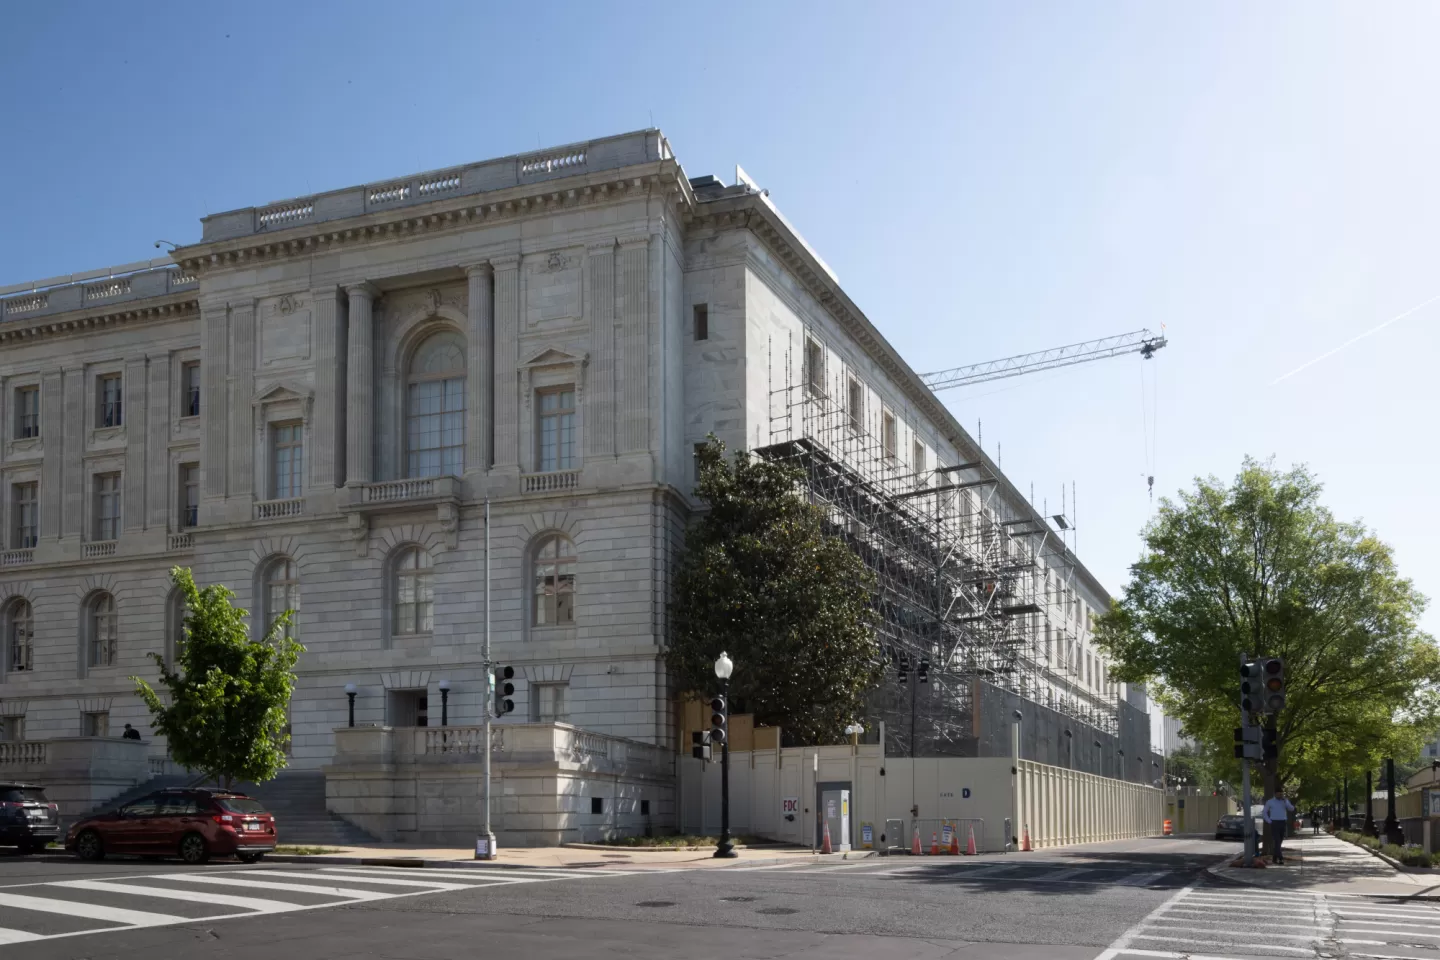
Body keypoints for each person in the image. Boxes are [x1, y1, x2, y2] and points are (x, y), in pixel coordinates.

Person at [1263, 787, 1296, 864]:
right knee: (1277, 840)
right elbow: (1264, 812)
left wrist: (1286, 801)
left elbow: (1292, 809)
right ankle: (1280, 858)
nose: (1280, 795)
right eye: (1279, 794)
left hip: (1283, 822)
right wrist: (1269, 821)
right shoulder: (1270, 802)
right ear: (1275, 794)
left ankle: (1274, 858)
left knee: (1280, 841)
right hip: (1274, 823)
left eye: (1281, 794)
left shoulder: (1285, 801)